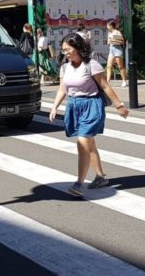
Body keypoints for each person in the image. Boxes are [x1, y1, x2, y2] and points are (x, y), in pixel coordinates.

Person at [49, 33, 129, 197]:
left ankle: (79, 184)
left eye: (68, 49)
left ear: (78, 48)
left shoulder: (91, 65)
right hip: (74, 106)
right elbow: (62, 89)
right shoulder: (65, 67)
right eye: (64, 51)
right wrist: (54, 107)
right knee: (89, 144)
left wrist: (119, 105)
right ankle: (100, 177)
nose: (66, 53)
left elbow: (105, 86)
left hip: (91, 105)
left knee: (83, 142)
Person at [106, 21, 128, 87]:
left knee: (120, 66)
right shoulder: (109, 33)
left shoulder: (117, 32)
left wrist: (113, 40)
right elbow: (108, 42)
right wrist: (109, 42)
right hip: (111, 50)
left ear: (111, 26)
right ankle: (107, 82)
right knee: (109, 66)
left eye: (107, 25)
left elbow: (122, 41)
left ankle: (124, 81)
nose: (107, 27)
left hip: (117, 50)